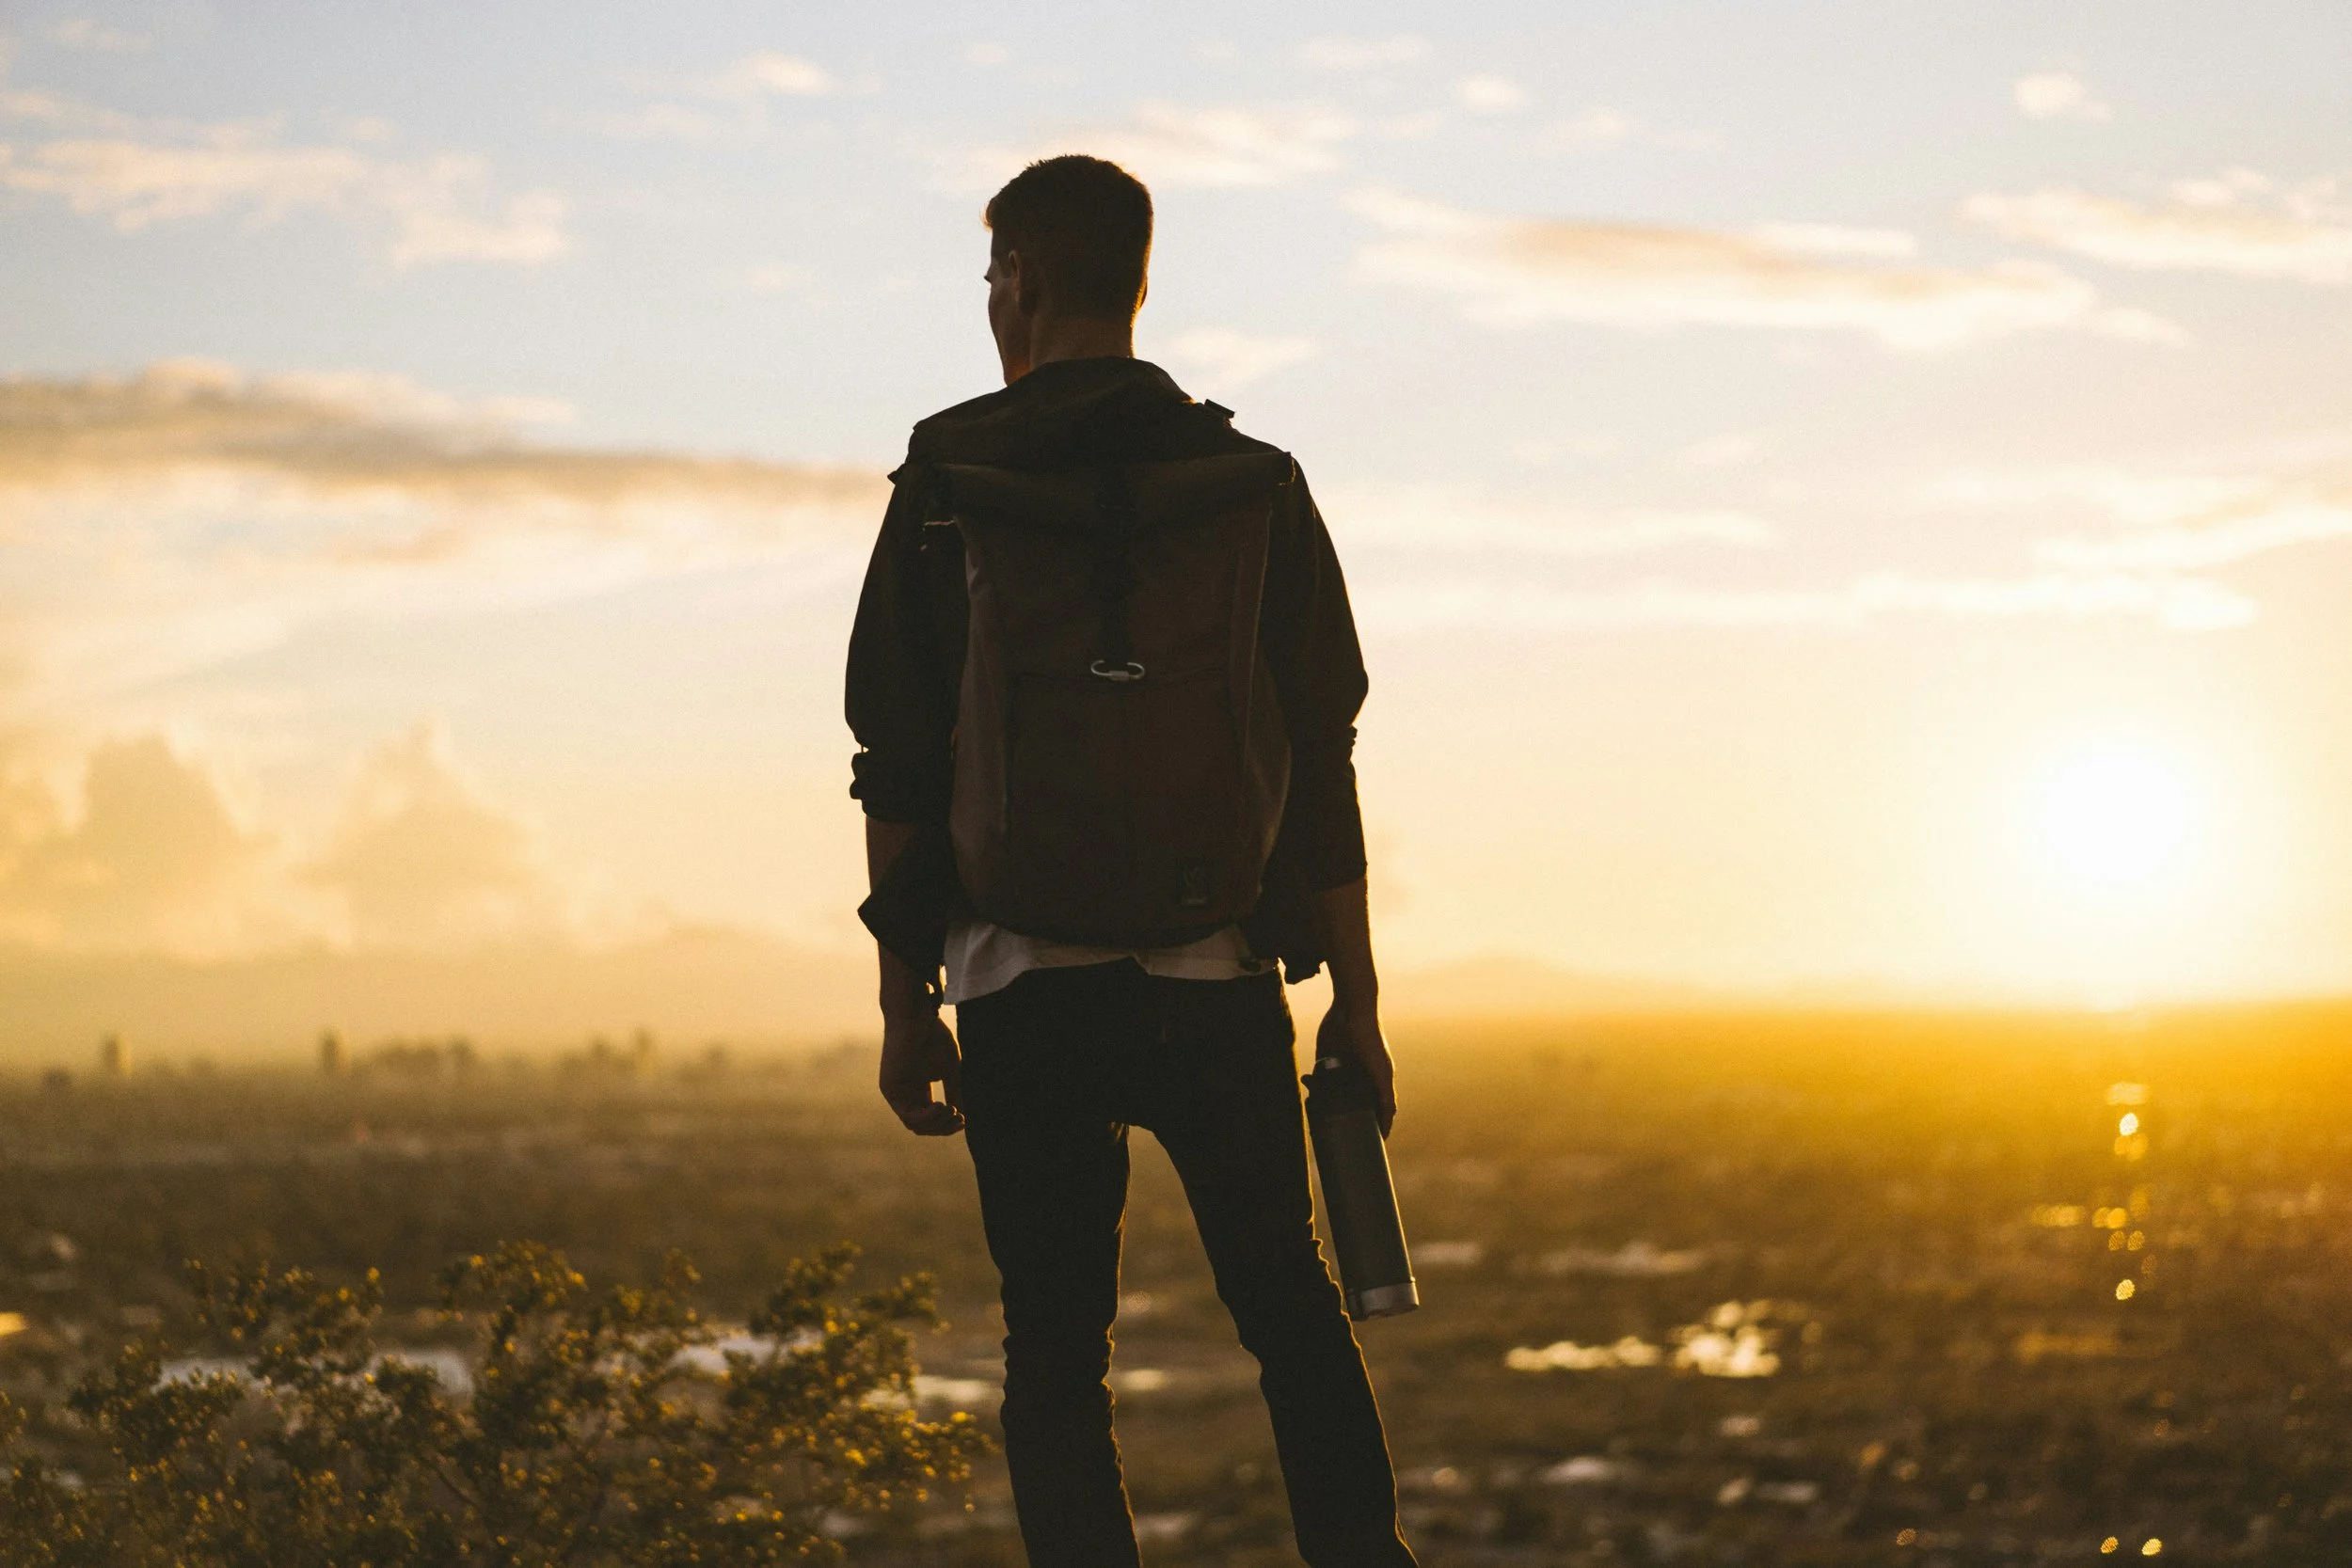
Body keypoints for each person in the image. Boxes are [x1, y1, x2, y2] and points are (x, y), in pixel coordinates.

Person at [845, 153, 1415, 1568]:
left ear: (1026, 279)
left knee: (1054, 1350)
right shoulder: (1253, 483)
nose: (990, 300)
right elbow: (1323, 746)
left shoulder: (944, 478)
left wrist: (905, 998)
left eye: (992, 274)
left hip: (1021, 980)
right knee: (1291, 1309)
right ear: (1140, 277)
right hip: (1214, 970)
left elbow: (896, 759)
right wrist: (1354, 993)